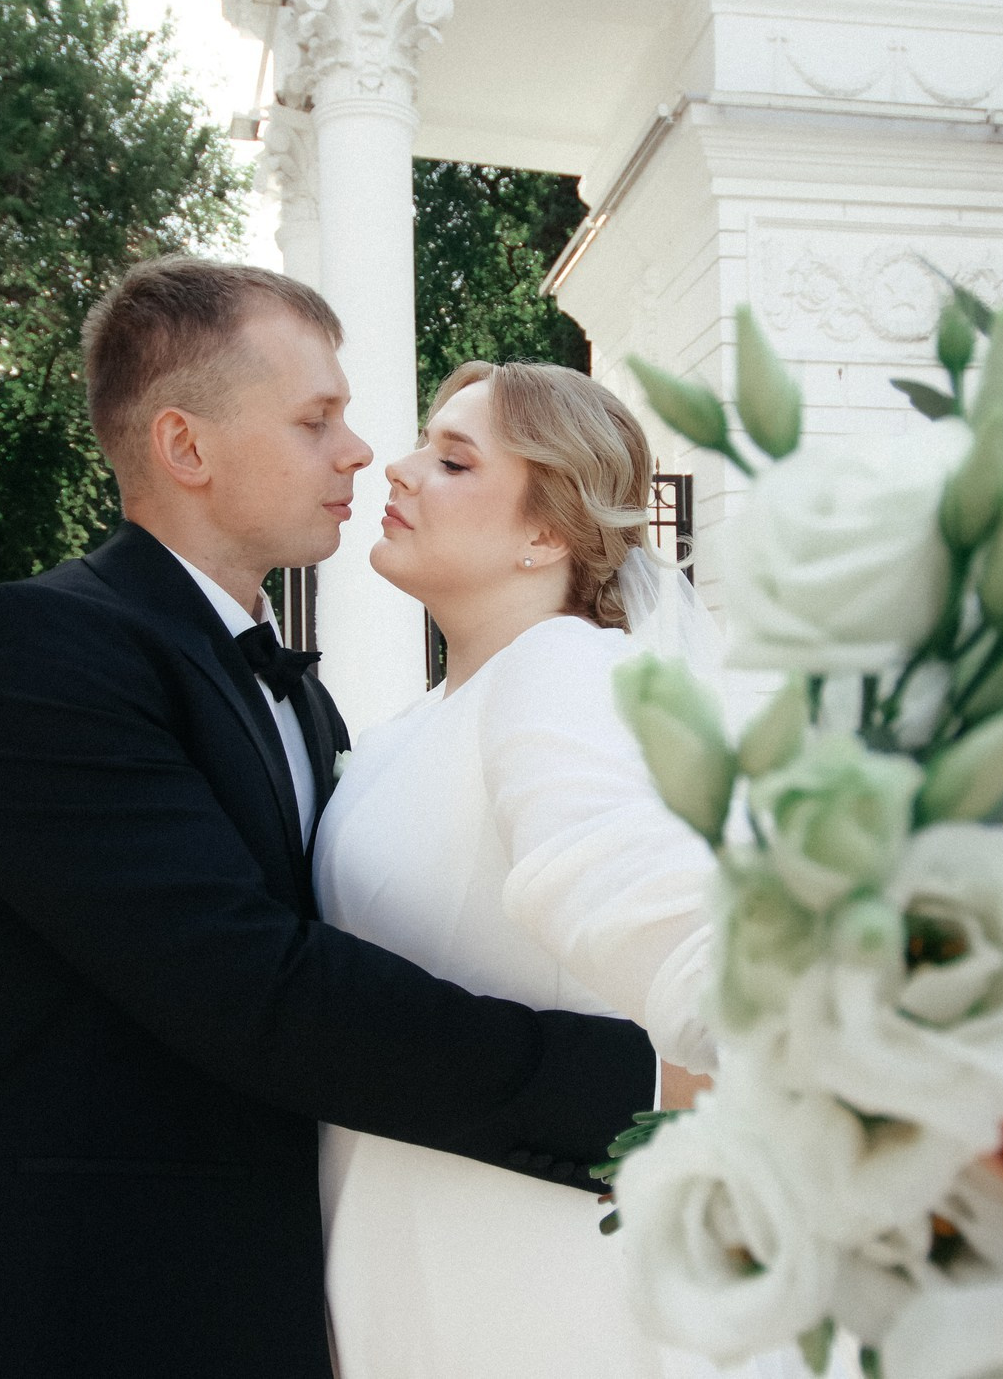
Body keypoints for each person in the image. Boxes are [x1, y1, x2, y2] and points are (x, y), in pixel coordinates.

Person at [0, 258, 657, 1378]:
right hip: (66, 1313)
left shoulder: (301, 697)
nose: (362, 453)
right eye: (317, 418)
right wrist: (642, 1087)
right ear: (187, 448)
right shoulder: (36, 652)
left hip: (264, 1299)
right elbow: (250, 984)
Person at [319, 361, 785, 1379]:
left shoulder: (561, 667)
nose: (400, 469)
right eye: (424, 444)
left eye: (453, 460)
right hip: (421, 1232)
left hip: (525, 1266)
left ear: (546, 535)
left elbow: (621, 881)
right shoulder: (417, 721)